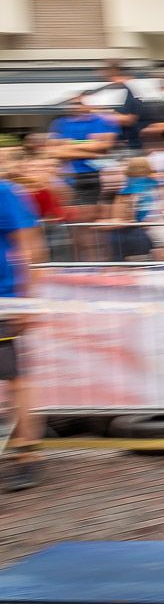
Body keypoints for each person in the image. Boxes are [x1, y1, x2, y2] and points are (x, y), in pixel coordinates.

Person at [0, 177, 45, 492]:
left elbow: (30, 245)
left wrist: (27, 302)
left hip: (3, 301)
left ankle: (26, 454)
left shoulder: (4, 192)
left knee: (14, 378)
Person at [48, 92, 119, 212]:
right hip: (68, 176)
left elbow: (103, 146)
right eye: (73, 103)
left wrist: (69, 144)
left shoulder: (102, 121)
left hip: (94, 174)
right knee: (70, 213)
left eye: (80, 103)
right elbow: (55, 151)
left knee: (90, 212)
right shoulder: (60, 123)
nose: (76, 106)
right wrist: (91, 149)